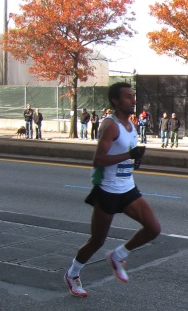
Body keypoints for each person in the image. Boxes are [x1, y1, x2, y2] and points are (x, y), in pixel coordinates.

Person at [63, 82, 160, 298]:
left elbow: (126, 154)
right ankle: (73, 273)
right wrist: (129, 155)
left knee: (153, 228)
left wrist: (133, 161)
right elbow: (98, 159)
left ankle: (118, 255)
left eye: (133, 96)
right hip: (107, 191)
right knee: (97, 240)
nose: (133, 100)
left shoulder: (131, 125)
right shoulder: (111, 125)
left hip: (128, 188)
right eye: (127, 97)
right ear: (115, 101)